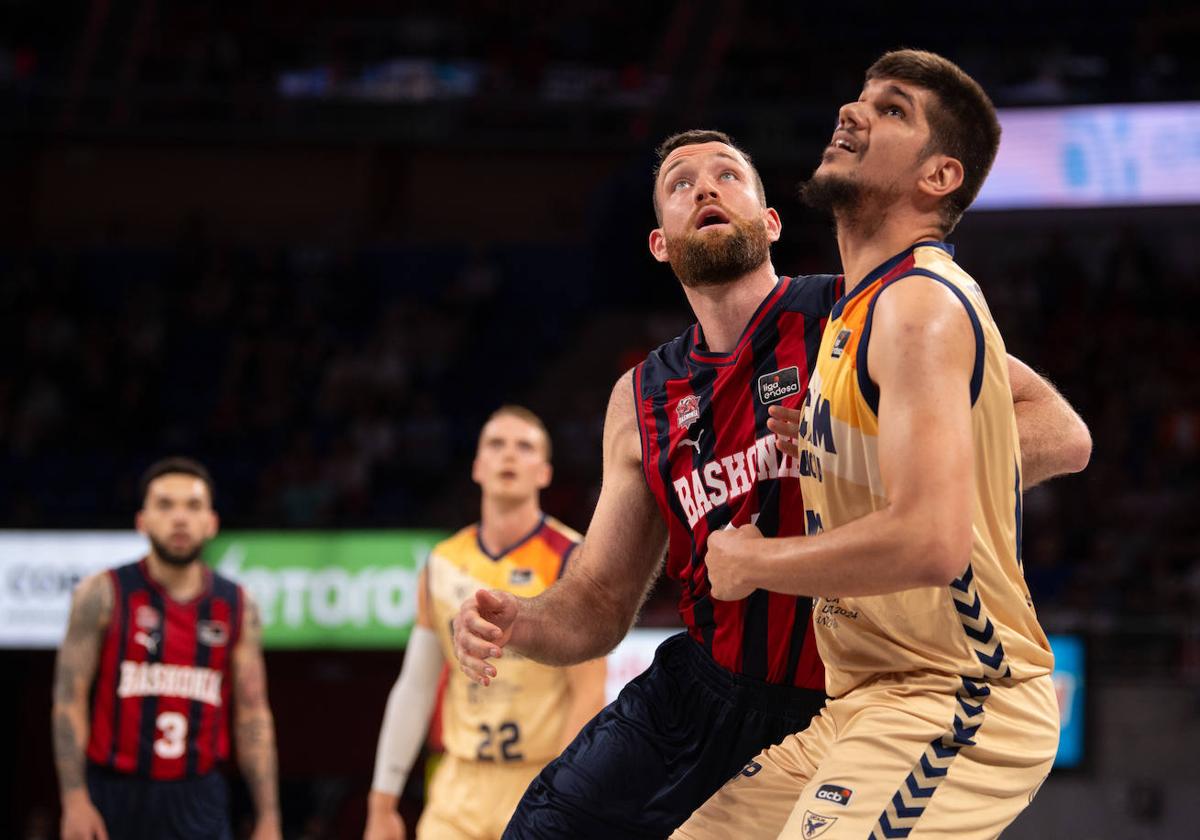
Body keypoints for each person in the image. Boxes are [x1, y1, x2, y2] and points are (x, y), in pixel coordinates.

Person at [453, 130, 1092, 840]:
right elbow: (601, 600)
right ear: (660, 243)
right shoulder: (638, 399)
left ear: (771, 222)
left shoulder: (868, 312)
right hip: (700, 692)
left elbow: (1058, 431)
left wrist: (878, 455)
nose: (704, 187)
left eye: (728, 174)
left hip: (855, 692)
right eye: (680, 183)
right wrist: (524, 623)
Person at [675, 49, 1076, 839]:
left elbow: (934, 539)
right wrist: (862, 447)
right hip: (861, 701)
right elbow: (1065, 433)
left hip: (959, 695)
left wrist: (755, 562)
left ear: (939, 177)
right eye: (859, 99)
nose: (852, 113)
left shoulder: (919, 305)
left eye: (892, 110)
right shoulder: (857, 311)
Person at [364, 406, 606, 840]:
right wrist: (382, 801)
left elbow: (588, 694)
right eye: (496, 444)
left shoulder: (574, 559)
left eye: (524, 446)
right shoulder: (441, 563)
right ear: (477, 467)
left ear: (545, 473)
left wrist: (561, 794)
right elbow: (415, 687)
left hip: (537, 779)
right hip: (458, 787)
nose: (509, 456)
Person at [52, 457, 281, 840]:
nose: (179, 518)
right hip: (113, 791)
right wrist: (74, 799)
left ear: (212, 524)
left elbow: (253, 713)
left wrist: (269, 817)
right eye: (165, 505)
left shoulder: (238, 604)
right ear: (142, 521)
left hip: (198, 794)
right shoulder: (102, 593)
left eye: (192, 506)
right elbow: (68, 699)